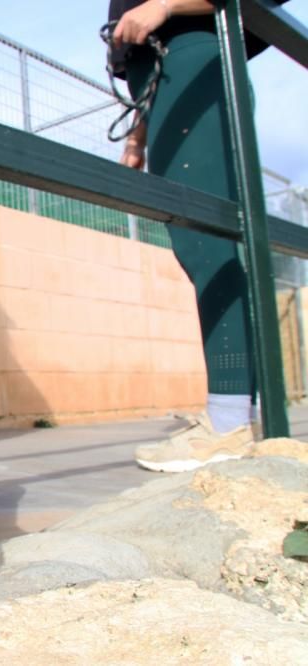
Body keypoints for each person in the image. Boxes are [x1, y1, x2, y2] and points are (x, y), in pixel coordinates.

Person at [107, 0, 287, 472]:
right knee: (198, 244)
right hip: (165, 80)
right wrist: (137, 137)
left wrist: (166, 4)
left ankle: (227, 425)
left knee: (210, 244)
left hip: (192, 59)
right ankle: (231, 415)